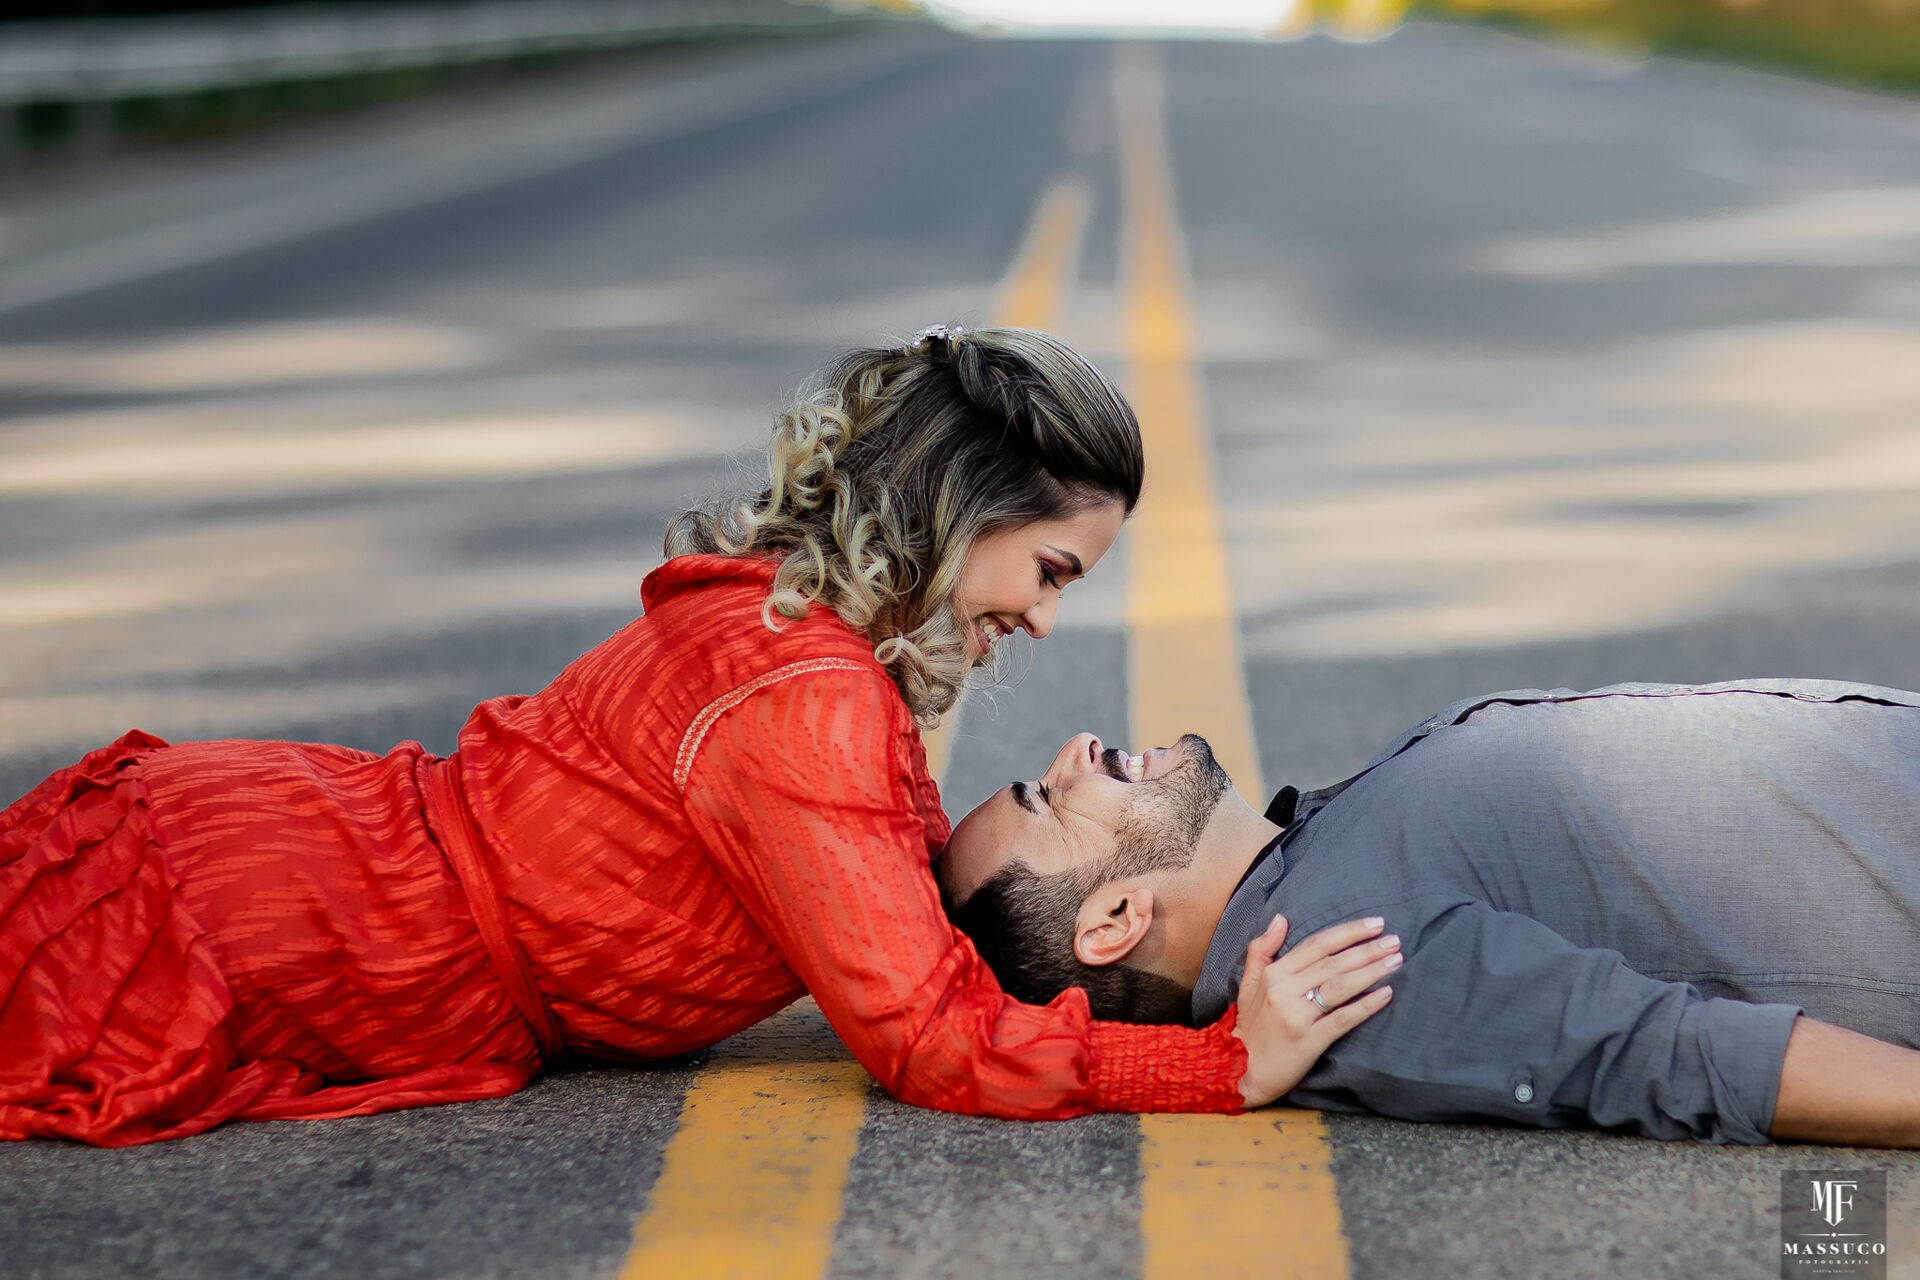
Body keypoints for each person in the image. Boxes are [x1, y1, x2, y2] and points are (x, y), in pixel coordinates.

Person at [1, 325, 1377, 1147]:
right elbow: (925, 1036)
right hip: (279, 905)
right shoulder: (807, 695)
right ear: (963, 515)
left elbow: (919, 923)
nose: (1044, 617)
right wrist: (1220, 1064)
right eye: (1053, 572)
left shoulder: (810, 649)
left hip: (300, 868)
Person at [939, 678, 1920, 1148]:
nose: (1075, 747)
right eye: (1046, 795)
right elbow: (1674, 1055)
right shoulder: (1341, 966)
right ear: (1111, 915)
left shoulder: (1312, 863)